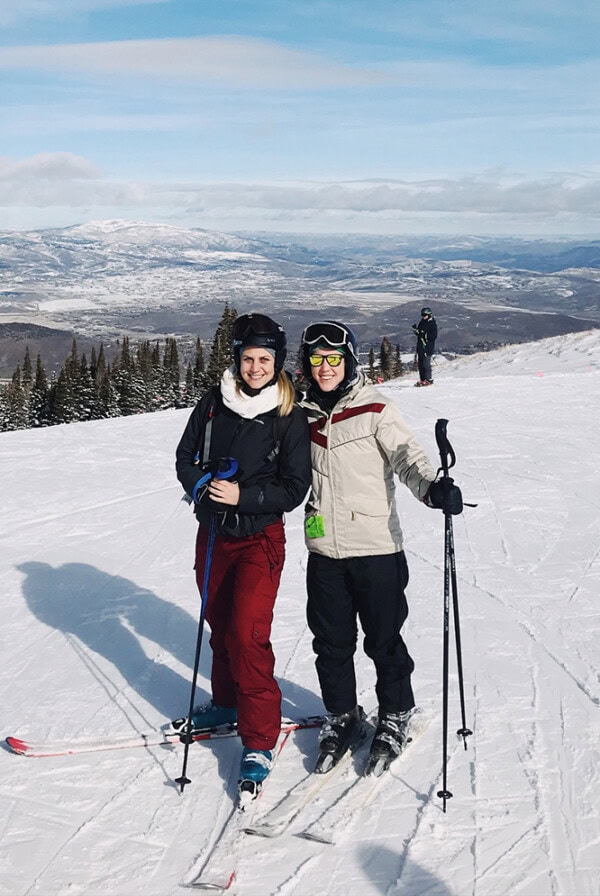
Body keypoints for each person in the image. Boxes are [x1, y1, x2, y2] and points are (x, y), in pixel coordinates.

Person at [298, 320, 462, 773]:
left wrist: (432, 489)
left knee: (383, 641)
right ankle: (342, 714)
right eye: (317, 359)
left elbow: (408, 457)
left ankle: (395, 711)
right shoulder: (303, 414)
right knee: (330, 644)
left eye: (334, 358)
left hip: (376, 548)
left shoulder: (375, 408)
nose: (325, 367)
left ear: (348, 360)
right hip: (324, 551)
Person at [175, 313, 311, 790]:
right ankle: (227, 700)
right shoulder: (215, 403)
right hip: (213, 534)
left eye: (265, 359)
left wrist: (243, 498)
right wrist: (201, 484)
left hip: (259, 538)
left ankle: (258, 740)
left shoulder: (288, 415)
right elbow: (184, 457)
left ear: (278, 362)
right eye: (249, 358)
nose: (256, 368)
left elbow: (295, 488)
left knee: (248, 635)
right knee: (218, 621)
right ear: (237, 359)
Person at [412, 306, 438, 386]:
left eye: (425, 315)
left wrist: (425, 335)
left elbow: (433, 336)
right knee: (420, 364)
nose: (423, 317)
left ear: (429, 315)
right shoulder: (422, 322)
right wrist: (416, 331)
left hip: (427, 347)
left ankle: (428, 379)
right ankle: (422, 379)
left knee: (426, 364)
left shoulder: (432, 323)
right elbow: (420, 333)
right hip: (420, 346)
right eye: (422, 315)